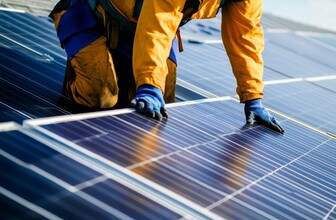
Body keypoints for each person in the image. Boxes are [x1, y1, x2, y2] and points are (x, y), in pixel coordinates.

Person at [50, 0, 284, 134]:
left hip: (142, 31)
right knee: (102, 97)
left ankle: (122, 73)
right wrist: (150, 85)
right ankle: (79, 78)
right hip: (93, 17)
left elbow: (245, 36)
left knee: (162, 106)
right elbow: (157, 25)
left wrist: (253, 96)